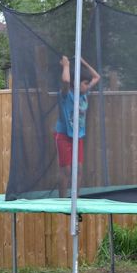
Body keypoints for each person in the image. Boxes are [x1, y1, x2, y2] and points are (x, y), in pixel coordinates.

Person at [55, 55, 100, 198]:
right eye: (85, 83)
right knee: (66, 170)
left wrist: (82, 61)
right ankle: (62, 199)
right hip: (64, 136)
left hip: (78, 136)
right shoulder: (66, 95)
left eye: (87, 84)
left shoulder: (84, 94)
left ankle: (76, 198)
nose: (87, 86)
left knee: (79, 169)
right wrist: (66, 66)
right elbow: (66, 81)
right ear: (76, 83)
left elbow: (96, 77)